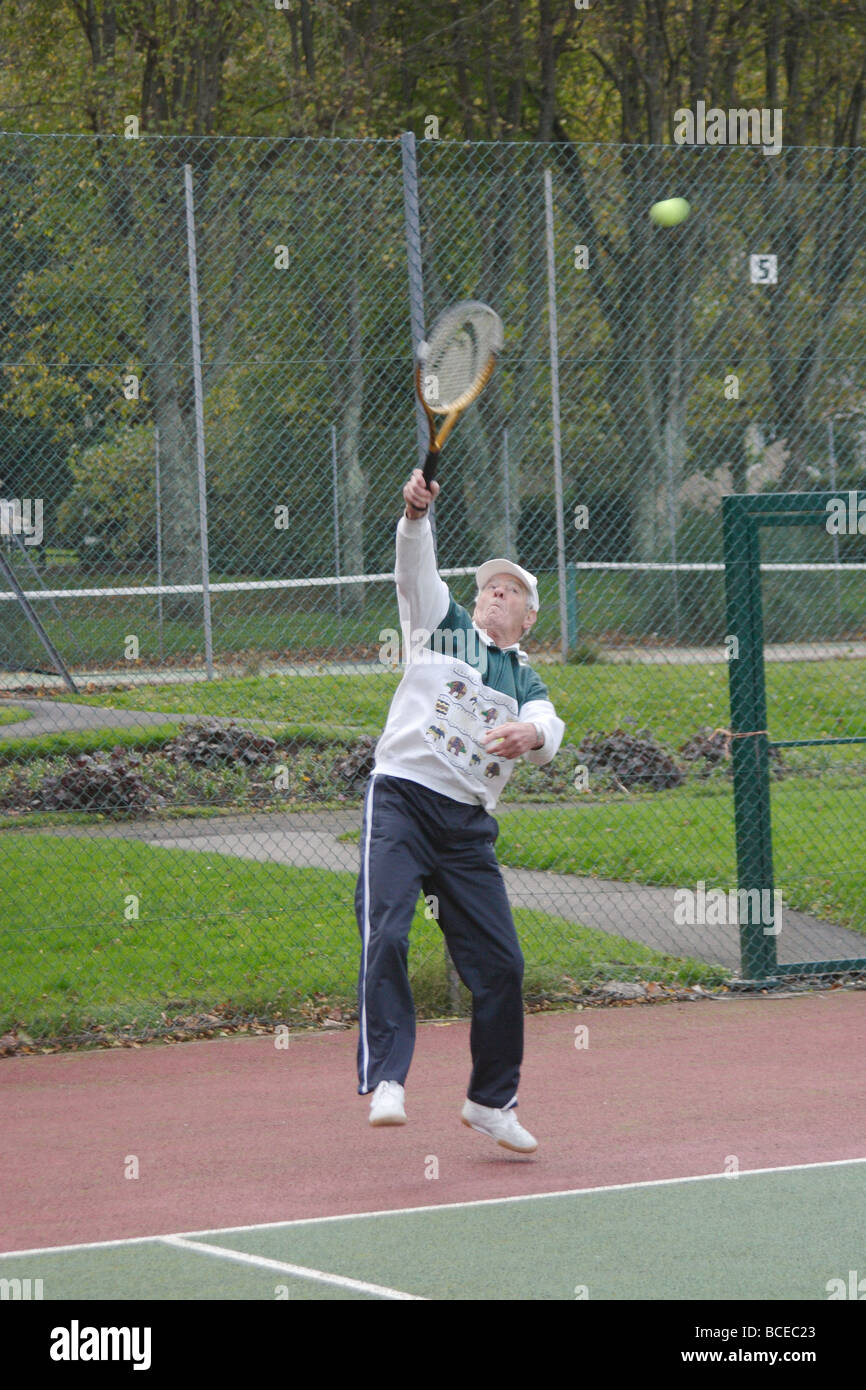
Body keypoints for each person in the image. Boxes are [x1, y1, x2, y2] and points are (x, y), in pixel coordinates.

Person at [355, 468, 565, 1152]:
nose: (496, 594)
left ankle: (491, 1101)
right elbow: (414, 569)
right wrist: (414, 517)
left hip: (467, 829)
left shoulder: (524, 678)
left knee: (502, 966)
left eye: (512, 592)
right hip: (403, 802)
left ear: (529, 618)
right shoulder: (440, 626)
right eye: (490, 587)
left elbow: (548, 729)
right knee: (385, 932)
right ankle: (388, 1077)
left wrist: (533, 733)